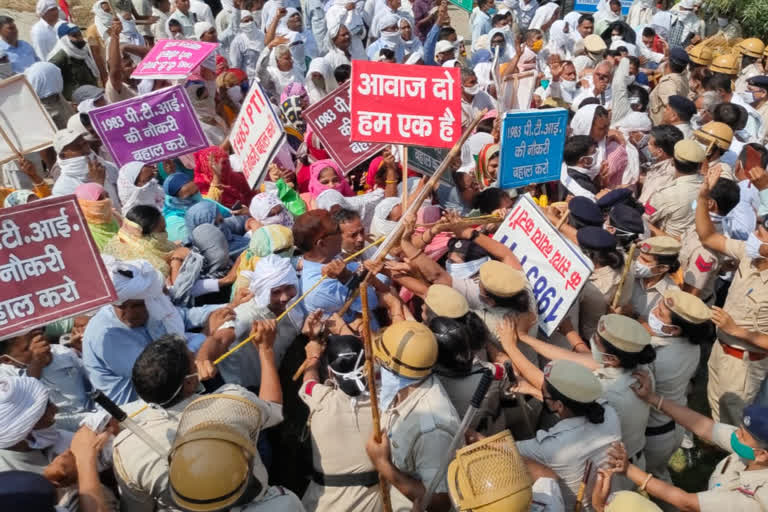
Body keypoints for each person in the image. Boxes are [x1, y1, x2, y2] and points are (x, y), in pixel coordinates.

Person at [113, 332, 293, 510]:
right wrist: (266, 350)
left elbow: (138, 508)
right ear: (189, 383)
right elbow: (274, 409)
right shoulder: (233, 401)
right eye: (194, 362)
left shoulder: (126, 449)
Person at [608, 375, 768, 512]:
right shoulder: (751, 450)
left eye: (742, 435)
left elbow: (686, 502)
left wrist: (629, 470)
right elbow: (704, 426)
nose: (735, 434)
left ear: (761, 455)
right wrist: (654, 399)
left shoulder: (755, 498)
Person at [696, 174, 768, 425]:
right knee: (717, 412)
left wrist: (737, 331)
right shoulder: (748, 254)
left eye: (762, 231)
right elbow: (707, 237)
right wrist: (703, 197)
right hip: (721, 351)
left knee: (742, 428)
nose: (756, 232)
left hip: (746, 365)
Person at [365, 321, 460, 512]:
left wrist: (383, 465)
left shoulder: (432, 431)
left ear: (390, 367)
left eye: (380, 361)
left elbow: (440, 502)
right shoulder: (406, 387)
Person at [299, 330, 381, 511]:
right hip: (374, 503)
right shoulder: (383, 401)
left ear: (329, 371)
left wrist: (313, 356)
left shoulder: (318, 399)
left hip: (324, 504)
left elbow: (309, 380)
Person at [643, 290, 714, 484]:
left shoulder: (655, 354)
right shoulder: (692, 346)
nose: (654, 312)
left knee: (649, 481)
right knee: (660, 474)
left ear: (674, 330)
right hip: (675, 427)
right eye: (658, 306)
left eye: (660, 313)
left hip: (653, 433)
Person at [678, 178, 740, 302]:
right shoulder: (706, 225)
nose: (697, 200)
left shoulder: (705, 250)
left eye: (701, 196)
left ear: (710, 203)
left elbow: (690, 295)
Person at [644, 140, 704, 239]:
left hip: (668, 248)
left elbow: (646, 217)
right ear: (700, 165)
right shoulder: (708, 186)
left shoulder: (665, 193)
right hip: (696, 244)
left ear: (672, 161)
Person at [628, 236, 682, 320]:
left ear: (662, 268)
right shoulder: (628, 273)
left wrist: (633, 315)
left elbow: (662, 330)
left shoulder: (673, 295)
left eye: (645, 260)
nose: (638, 262)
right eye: (639, 256)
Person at [47, 23, 99, 101]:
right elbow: (50, 80)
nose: (80, 38)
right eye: (75, 36)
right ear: (65, 39)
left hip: (91, 92)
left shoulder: (83, 50)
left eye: (80, 34)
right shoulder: (60, 57)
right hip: (76, 99)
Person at [648, 48, 691, 126]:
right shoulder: (683, 76)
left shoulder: (668, 83)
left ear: (668, 61)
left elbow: (672, 111)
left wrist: (658, 131)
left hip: (662, 127)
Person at [75, 183, 120, 251]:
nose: (106, 200)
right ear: (86, 205)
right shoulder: (83, 234)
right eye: (100, 198)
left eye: (107, 196)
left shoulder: (114, 217)